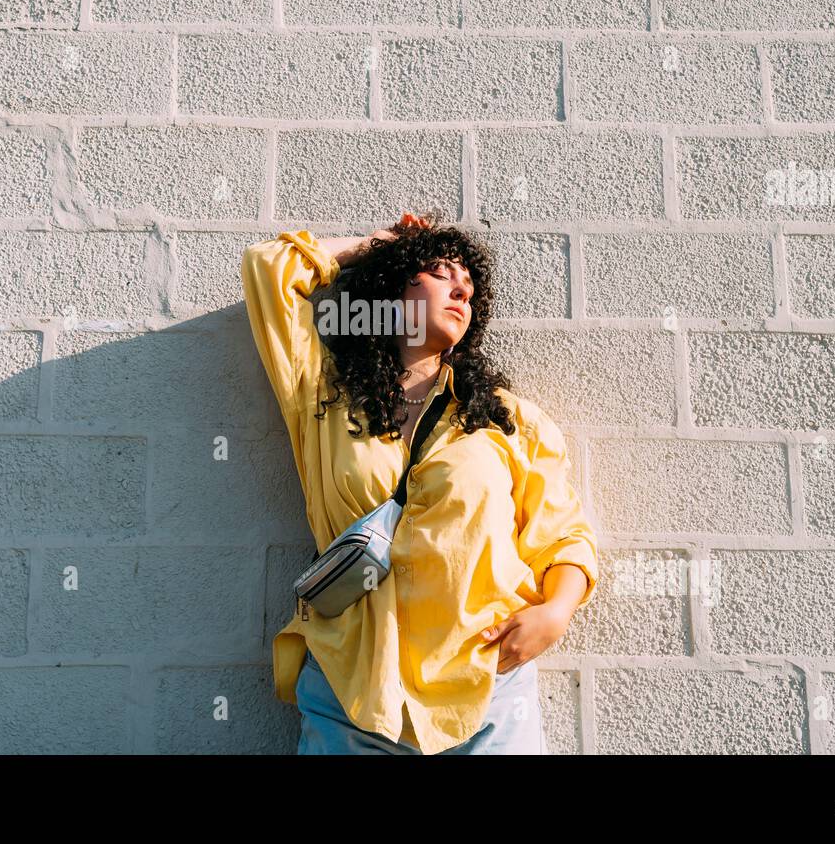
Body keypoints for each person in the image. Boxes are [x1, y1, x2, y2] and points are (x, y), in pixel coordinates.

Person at [239, 210, 600, 754]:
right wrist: (380, 243)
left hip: (484, 686)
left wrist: (554, 613)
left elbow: (563, 535)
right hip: (352, 690)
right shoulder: (324, 397)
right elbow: (268, 268)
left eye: (469, 287)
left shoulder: (506, 419)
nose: (460, 289)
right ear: (392, 288)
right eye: (438, 272)